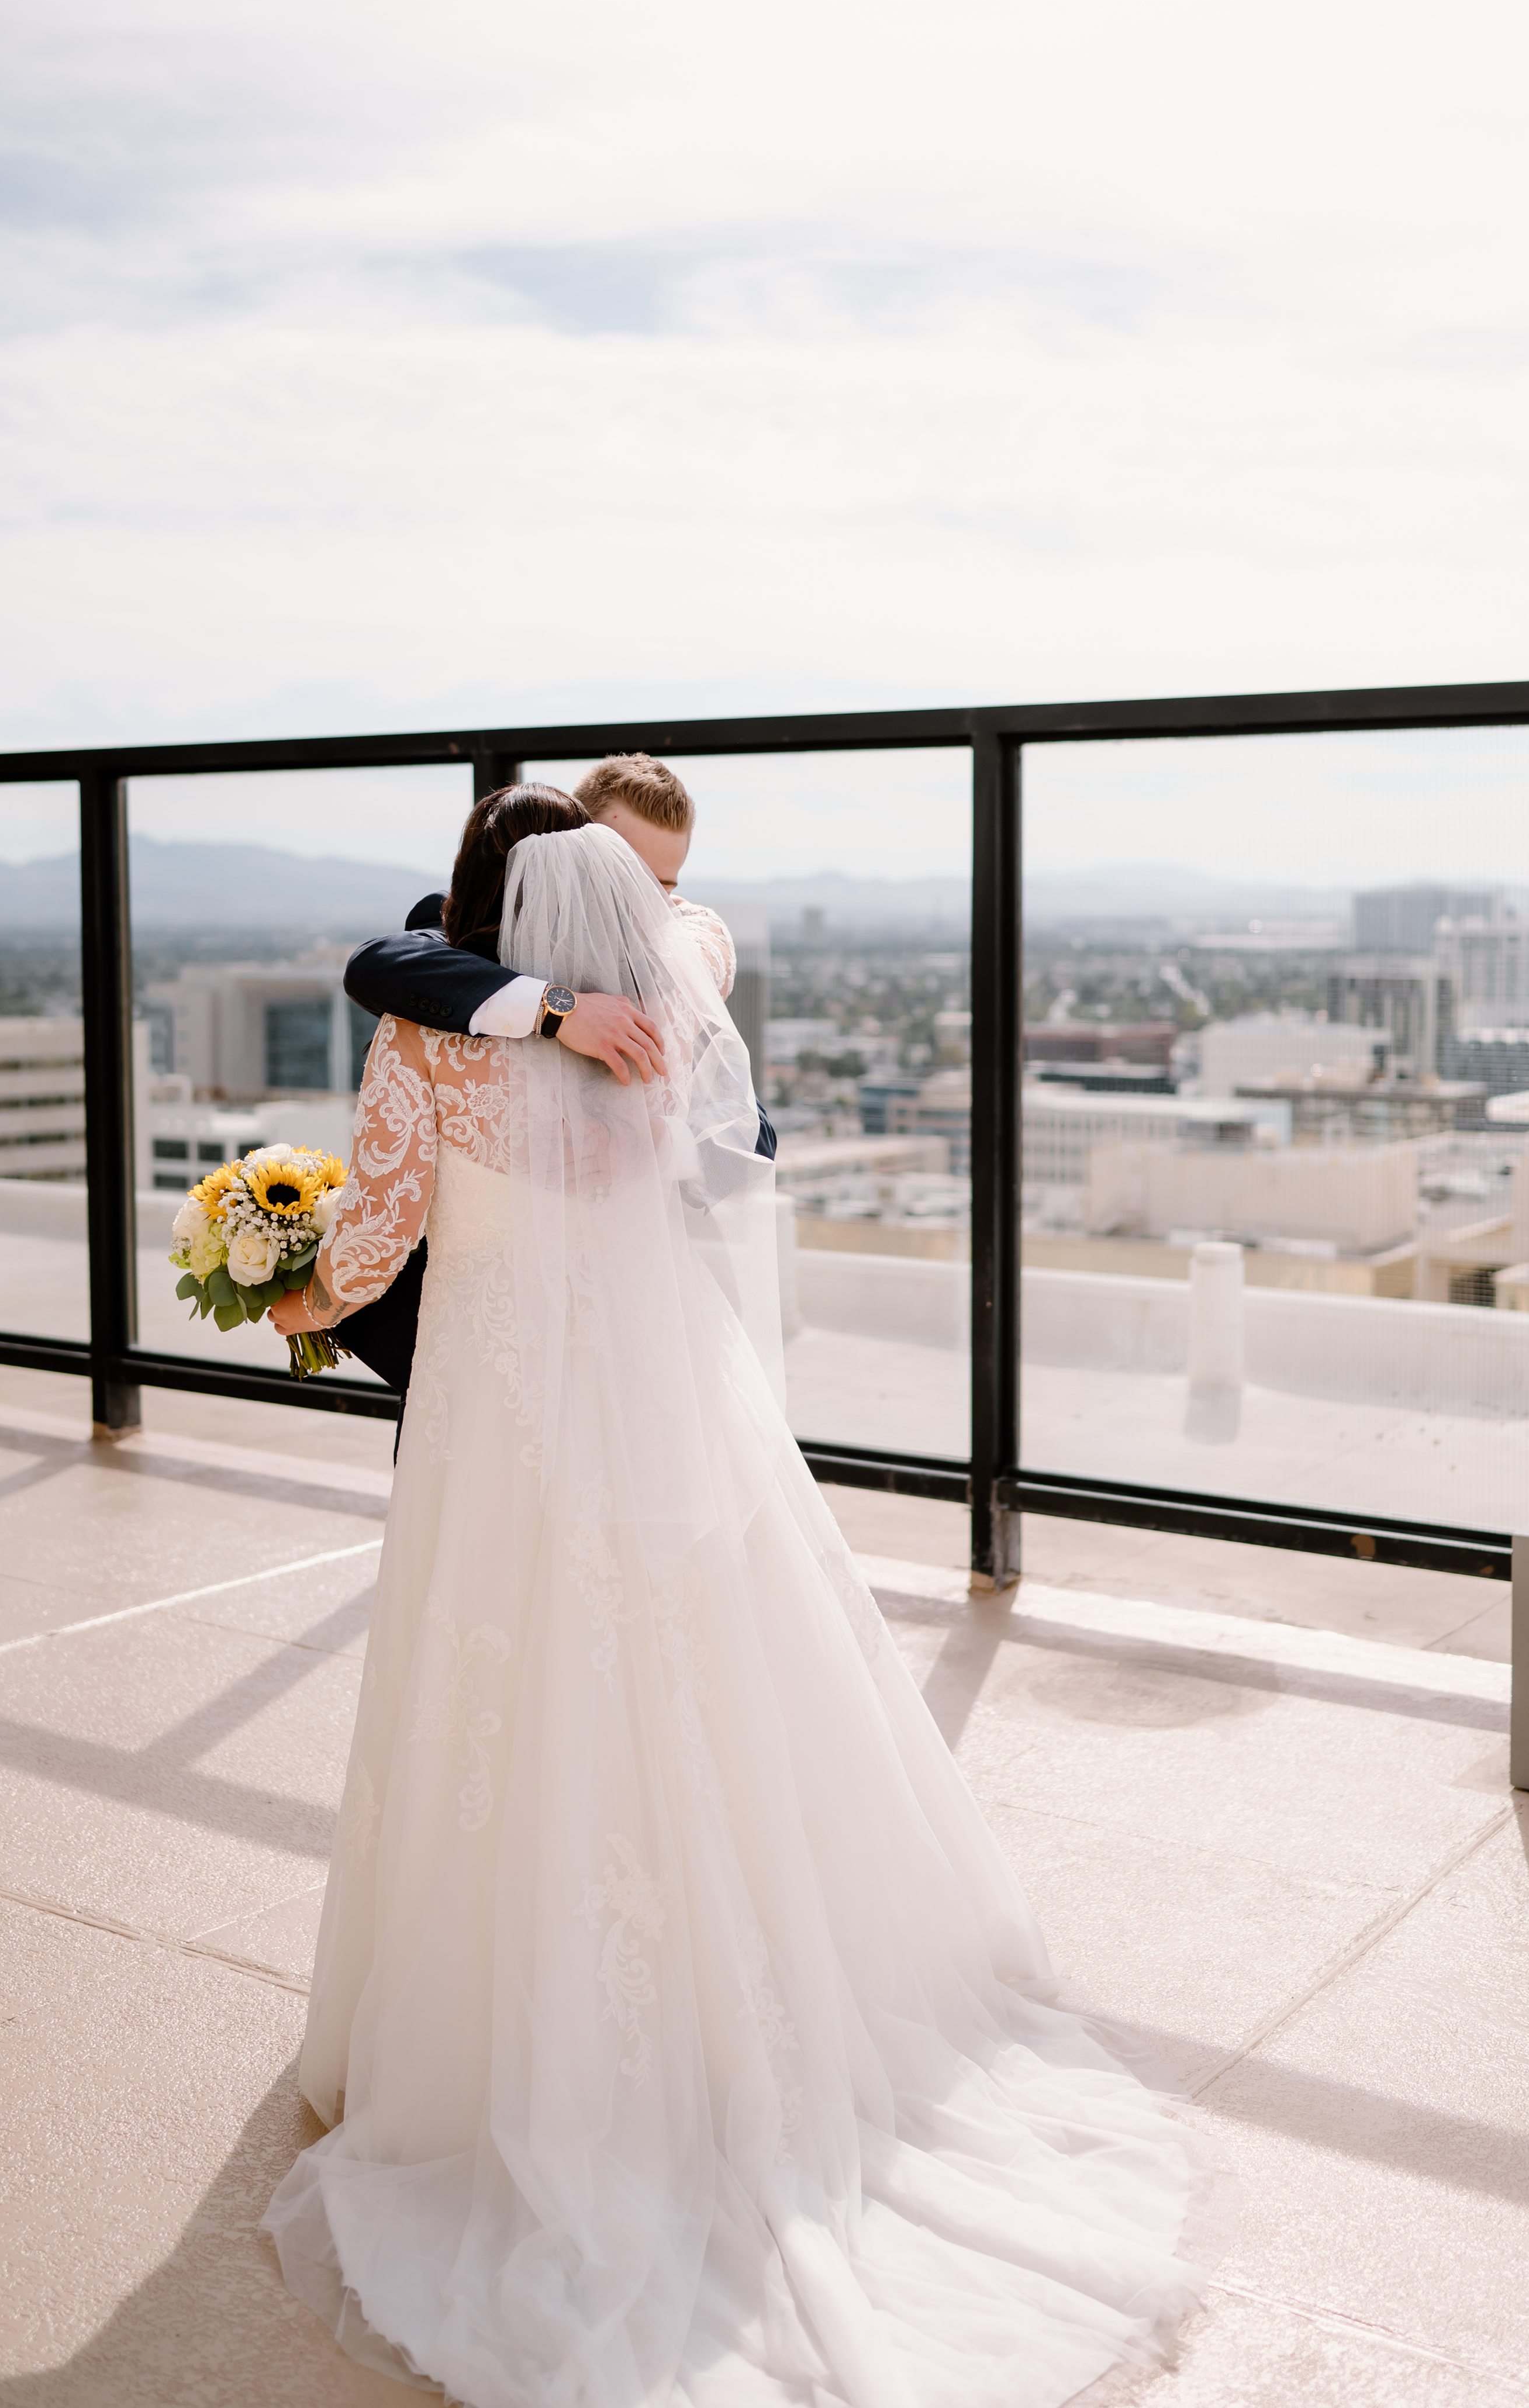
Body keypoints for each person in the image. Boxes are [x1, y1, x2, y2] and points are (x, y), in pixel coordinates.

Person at [263, 817, 1205, 2408]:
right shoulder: (666, 1031)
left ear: (473, 904)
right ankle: (736, 2021)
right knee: (699, 1687)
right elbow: (690, 1064)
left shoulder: (430, 1040)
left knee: (501, 1697)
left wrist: (287, 1290)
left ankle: (490, 2050)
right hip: (664, 1416)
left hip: (500, 1429)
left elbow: (377, 1226)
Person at [334, 762, 773, 1401]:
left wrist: (654, 1141)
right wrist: (557, 1009)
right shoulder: (474, 931)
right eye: (623, 868)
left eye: (661, 887)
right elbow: (377, 965)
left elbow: (752, 1136)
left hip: (624, 1322)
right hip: (477, 1326)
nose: (635, 900)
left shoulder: (673, 963)